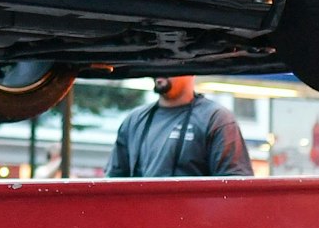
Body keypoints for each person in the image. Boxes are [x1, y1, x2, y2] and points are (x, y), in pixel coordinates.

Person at [106, 76, 253, 178]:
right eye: (156, 61)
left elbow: (235, 188)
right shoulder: (134, 120)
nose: (160, 69)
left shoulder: (216, 119)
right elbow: (114, 181)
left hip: (195, 221)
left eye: (169, 62)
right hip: (141, 220)